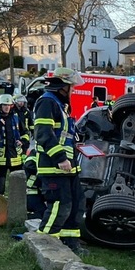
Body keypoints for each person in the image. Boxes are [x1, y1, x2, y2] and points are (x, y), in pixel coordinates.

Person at [33, 67, 87, 254]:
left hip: (68, 167)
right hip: (54, 166)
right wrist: (60, 158)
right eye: (71, 87)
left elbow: (64, 136)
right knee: (59, 206)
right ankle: (44, 245)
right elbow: (43, 134)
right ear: (62, 86)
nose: (73, 90)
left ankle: (70, 243)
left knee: (76, 206)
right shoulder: (47, 103)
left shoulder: (61, 105)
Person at [0, 94, 29, 196]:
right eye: (4, 105)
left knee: (18, 184)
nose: (7, 107)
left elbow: (25, 133)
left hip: (15, 157)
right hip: (0, 157)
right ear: (0, 106)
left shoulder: (16, 118)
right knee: (0, 185)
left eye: (9, 105)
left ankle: (17, 205)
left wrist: (22, 142)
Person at [23, 148, 46, 220]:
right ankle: (23, 219)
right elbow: (29, 166)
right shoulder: (34, 155)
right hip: (31, 193)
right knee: (43, 213)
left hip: (39, 193)